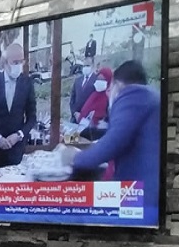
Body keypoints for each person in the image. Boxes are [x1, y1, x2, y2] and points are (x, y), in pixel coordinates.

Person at [65, 60, 159, 198]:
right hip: (136, 189)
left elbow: (113, 141)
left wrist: (74, 158)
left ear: (116, 84)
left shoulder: (132, 97)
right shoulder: (146, 98)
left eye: (107, 83)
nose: (108, 91)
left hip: (138, 194)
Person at [0, 43, 37, 169]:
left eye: (21, 61)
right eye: (15, 62)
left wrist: (19, 135)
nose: (18, 66)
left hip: (16, 150)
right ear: (5, 62)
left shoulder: (27, 83)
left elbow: (32, 117)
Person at [77, 66, 112, 140]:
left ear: (108, 81)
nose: (99, 81)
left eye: (102, 79)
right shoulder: (94, 94)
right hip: (83, 132)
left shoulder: (110, 98)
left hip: (99, 136)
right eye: (98, 79)